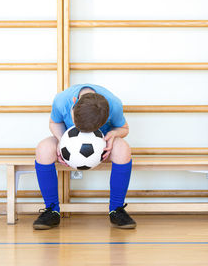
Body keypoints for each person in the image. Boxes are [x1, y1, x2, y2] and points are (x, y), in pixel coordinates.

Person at [33, 84, 136, 230]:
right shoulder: (62, 100)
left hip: (101, 146)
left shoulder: (114, 104)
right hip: (67, 141)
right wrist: (61, 142)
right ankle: (52, 210)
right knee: (43, 149)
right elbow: (54, 122)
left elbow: (124, 128)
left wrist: (113, 134)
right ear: (74, 101)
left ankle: (116, 209)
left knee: (123, 149)